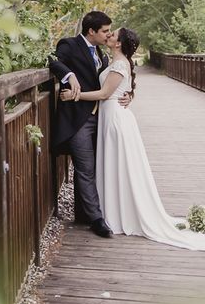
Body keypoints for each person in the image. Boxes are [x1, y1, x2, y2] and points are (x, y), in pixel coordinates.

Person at [61, 28, 205, 250]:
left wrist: (74, 96)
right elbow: (118, 88)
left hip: (115, 119)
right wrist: (129, 94)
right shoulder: (111, 59)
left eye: (112, 34)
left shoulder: (119, 64)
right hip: (109, 117)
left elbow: (104, 94)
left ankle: (122, 214)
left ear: (119, 43)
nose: (108, 36)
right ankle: (113, 211)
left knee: (121, 167)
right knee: (115, 166)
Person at [49, 11, 130, 238]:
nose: (107, 35)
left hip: (102, 119)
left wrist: (128, 94)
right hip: (79, 121)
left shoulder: (102, 54)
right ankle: (96, 219)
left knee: (100, 166)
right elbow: (53, 60)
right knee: (86, 169)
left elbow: (113, 82)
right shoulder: (70, 44)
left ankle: (85, 213)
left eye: (109, 31)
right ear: (91, 31)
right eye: (104, 31)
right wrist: (69, 75)